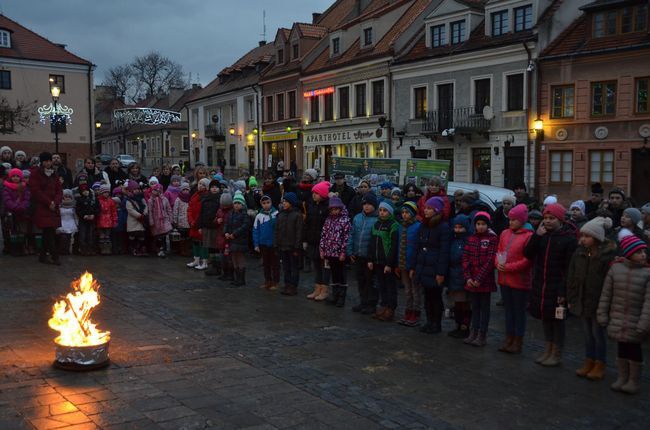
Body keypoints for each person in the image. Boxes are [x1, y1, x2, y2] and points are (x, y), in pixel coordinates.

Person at [524, 203, 578, 367]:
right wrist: (536, 236)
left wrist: (564, 291)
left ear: (560, 220)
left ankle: (557, 353)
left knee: (558, 321)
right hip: (542, 285)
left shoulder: (569, 239)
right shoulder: (542, 235)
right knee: (545, 319)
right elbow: (528, 254)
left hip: (558, 289)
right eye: (545, 218)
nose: (547, 222)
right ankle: (547, 349)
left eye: (551, 218)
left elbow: (569, 268)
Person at [598, 235, 650, 394]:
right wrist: (602, 314)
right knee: (621, 348)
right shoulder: (615, 269)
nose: (643, 255)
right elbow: (606, 294)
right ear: (629, 253)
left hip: (636, 319)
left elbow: (648, 303)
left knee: (634, 350)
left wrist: (644, 323)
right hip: (618, 317)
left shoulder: (647, 273)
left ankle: (633, 380)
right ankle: (622, 376)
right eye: (639, 252)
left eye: (644, 252)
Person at [567, 217, 617, 380]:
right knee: (587, 334)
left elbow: (609, 282)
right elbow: (572, 275)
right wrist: (572, 296)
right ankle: (589, 360)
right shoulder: (579, 252)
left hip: (597, 301)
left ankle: (600, 363)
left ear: (596, 237)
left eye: (587, 236)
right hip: (582, 299)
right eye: (582, 236)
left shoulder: (606, 256)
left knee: (598, 334)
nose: (582, 239)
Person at [496, 204, 533, 353]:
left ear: (522, 220)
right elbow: (499, 250)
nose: (510, 222)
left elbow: (528, 260)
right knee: (508, 311)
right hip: (505, 279)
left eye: (514, 220)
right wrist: (497, 262)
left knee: (519, 312)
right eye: (510, 219)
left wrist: (510, 267)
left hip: (519, 280)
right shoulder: (505, 233)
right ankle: (508, 337)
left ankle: (518, 340)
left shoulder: (528, 236)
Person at [414, 196, 450, 333]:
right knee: (427, 296)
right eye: (425, 208)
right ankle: (429, 321)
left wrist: (440, 272)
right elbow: (419, 246)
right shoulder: (424, 224)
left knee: (435, 296)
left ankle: (436, 323)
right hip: (424, 266)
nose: (426, 210)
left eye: (429, 208)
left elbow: (444, 252)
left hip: (435, 268)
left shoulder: (443, 227)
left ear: (436, 210)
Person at [462, 212, 498, 347]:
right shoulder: (471, 238)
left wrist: (479, 278)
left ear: (487, 225)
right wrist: (468, 277)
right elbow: (465, 259)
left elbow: (490, 260)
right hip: (472, 279)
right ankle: (474, 331)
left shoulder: (492, 239)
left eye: (483, 224)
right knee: (475, 307)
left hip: (484, 280)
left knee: (484, 308)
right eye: (478, 224)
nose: (480, 227)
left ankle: (482, 334)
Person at [346, 192, 379, 313]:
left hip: (369, 256)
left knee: (370, 281)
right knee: (361, 280)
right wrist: (349, 250)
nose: (367, 206)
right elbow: (351, 234)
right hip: (357, 254)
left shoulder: (377, 219)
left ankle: (371, 304)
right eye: (365, 204)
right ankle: (363, 301)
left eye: (369, 204)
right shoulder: (357, 217)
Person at [368, 201, 398, 321]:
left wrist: (389, 263)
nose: (382, 212)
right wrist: (370, 259)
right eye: (380, 210)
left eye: (385, 210)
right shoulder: (376, 224)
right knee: (381, 285)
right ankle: (383, 306)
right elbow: (371, 243)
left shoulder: (393, 225)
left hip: (387, 262)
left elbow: (393, 245)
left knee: (390, 286)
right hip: (377, 261)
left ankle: (390, 308)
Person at [30, 152, 63, 265]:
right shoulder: (36, 174)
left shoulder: (54, 174)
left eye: (49, 161)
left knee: (48, 231)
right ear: (42, 162)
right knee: (49, 231)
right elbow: (36, 191)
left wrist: (55, 202)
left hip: (53, 207)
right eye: (46, 161)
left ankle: (43, 255)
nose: (48, 163)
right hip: (43, 206)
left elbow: (59, 190)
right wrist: (49, 202)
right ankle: (55, 256)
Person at [319, 196, 352, 306]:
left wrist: (343, 252)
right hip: (329, 252)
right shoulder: (328, 220)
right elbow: (323, 235)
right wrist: (322, 249)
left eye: (336, 209)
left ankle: (341, 297)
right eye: (332, 209)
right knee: (334, 273)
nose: (334, 211)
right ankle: (335, 295)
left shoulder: (345, 220)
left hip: (340, 253)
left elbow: (346, 237)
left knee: (342, 274)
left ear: (340, 208)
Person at [303, 181, 330, 301]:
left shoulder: (328, 207)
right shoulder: (312, 206)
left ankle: (324, 290)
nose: (313, 195)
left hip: (324, 242)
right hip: (313, 240)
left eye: (316, 193)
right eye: (313, 192)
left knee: (324, 267)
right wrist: (305, 239)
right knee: (316, 266)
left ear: (323, 194)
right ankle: (317, 288)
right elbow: (307, 224)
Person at [396, 201, 422, 326]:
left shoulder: (418, 226)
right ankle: (408, 311)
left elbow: (417, 248)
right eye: (403, 213)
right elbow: (399, 246)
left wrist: (414, 266)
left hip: (413, 264)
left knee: (415, 290)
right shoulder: (401, 226)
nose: (404, 215)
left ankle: (416, 313)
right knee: (407, 290)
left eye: (407, 213)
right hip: (402, 263)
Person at [274, 192, 303, 295]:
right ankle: (287, 284)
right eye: (283, 201)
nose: (284, 203)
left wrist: (297, 247)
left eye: (286, 201)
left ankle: (293, 286)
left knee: (294, 267)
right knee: (286, 267)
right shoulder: (280, 214)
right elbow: (277, 230)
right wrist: (276, 244)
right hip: (282, 245)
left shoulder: (297, 215)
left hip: (292, 246)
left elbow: (299, 232)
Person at [447, 214, 471, 338]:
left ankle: (465, 326)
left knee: (464, 303)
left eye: (460, 227)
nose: (457, 230)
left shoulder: (468, 241)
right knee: (457, 303)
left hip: (463, 277)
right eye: (455, 227)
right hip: (453, 276)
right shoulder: (453, 240)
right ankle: (458, 324)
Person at [3, 168, 31, 255]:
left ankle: (21, 248)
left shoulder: (24, 187)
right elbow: (7, 200)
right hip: (11, 213)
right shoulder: (6, 188)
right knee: (13, 232)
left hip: (22, 213)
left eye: (17, 176)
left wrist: (22, 206)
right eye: (13, 176)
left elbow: (27, 198)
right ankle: (14, 249)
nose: (15, 178)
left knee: (21, 231)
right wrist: (16, 207)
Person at [225, 191, 251, 286]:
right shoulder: (230, 214)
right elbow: (227, 224)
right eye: (235, 203)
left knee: (240, 259)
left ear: (242, 204)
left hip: (240, 240)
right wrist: (226, 232)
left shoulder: (245, 215)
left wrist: (234, 234)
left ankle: (241, 279)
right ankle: (237, 277)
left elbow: (245, 226)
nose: (236, 205)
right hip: (232, 240)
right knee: (234, 258)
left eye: (239, 203)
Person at [254, 195, 279, 291]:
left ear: (271, 203)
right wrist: (256, 244)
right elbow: (255, 230)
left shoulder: (276, 214)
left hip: (273, 244)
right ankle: (267, 280)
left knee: (275, 264)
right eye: (264, 203)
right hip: (263, 243)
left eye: (268, 202)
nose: (266, 205)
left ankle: (275, 282)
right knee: (266, 264)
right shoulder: (259, 216)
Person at [198, 180, 221, 272]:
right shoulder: (205, 198)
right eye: (212, 187)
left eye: (216, 187)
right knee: (210, 246)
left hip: (216, 227)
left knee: (216, 247)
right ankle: (212, 265)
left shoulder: (221, 198)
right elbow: (201, 213)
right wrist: (200, 226)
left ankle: (217, 266)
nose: (214, 188)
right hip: (207, 226)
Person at [186, 178, 209, 268]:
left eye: (203, 185)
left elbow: (206, 212)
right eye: (200, 183)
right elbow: (189, 209)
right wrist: (191, 220)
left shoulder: (207, 196)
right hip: (194, 223)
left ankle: (204, 262)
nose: (200, 186)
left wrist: (200, 223)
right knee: (195, 242)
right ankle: (196, 260)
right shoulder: (194, 195)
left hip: (201, 224)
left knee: (203, 243)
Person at [147, 183, 173, 257]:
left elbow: (168, 209)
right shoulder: (151, 200)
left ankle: (163, 249)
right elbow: (150, 211)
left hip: (164, 220)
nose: (157, 192)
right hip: (156, 221)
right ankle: (159, 249)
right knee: (158, 236)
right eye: (155, 190)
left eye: (159, 190)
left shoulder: (164, 199)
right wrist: (151, 221)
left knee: (164, 235)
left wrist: (170, 218)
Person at [124, 180, 148, 256]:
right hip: (134, 220)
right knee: (133, 235)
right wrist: (139, 215)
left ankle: (140, 248)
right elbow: (130, 210)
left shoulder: (141, 198)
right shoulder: (129, 200)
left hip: (141, 220)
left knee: (141, 235)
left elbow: (145, 205)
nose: (137, 190)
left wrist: (145, 212)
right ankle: (132, 248)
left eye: (137, 189)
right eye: (134, 189)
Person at [75, 182, 98, 256]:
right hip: (83, 220)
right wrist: (83, 215)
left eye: (87, 191)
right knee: (83, 235)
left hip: (92, 219)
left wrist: (94, 215)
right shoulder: (79, 200)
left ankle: (90, 249)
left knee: (91, 235)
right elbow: (78, 210)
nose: (85, 192)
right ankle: (83, 249)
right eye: (84, 191)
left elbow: (97, 208)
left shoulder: (93, 200)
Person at [214, 192, 234, 279]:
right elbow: (214, 221)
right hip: (220, 236)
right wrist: (217, 221)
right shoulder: (219, 210)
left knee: (229, 257)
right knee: (222, 257)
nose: (225, 207)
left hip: (228, 237)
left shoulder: (232, 212)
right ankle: (224, 272)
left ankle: (230, 274)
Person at [96, 184, 118, 255]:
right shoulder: (98, 201)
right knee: (101, 237)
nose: (106, 194)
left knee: (107, 237)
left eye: (107, 192)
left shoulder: (111, 201)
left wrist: (115, 221)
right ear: (101, 193)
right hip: (100, 221)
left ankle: (107, 249)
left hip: (109, 222)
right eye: (104, 192)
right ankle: (102, 249)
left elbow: (114, 212)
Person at [57, 189, 77, 255]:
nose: (67, 198)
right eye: (66, 196)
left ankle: (67, 250)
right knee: (63, 237)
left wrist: (77, 223)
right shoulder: (60, 206)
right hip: (62, 223)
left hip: (71, 223)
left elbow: (75, 216)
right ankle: (61, 249)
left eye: (69, 197)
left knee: (69, 238)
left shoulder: (73, 207)